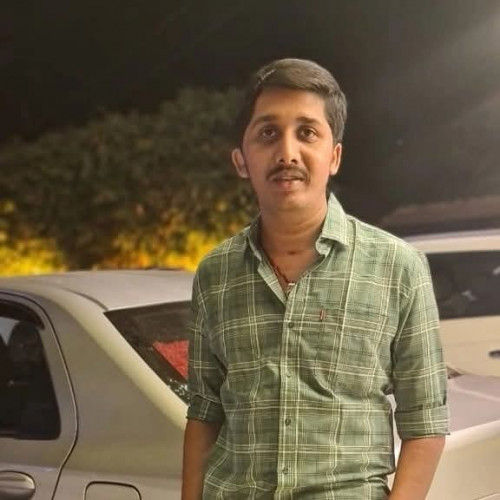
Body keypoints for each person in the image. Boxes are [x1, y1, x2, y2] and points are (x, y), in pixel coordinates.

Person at [182, 58, 448, 500]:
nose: (287, 152)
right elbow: (205, 411)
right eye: (268, 133)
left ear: (334, 156)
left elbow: (425, 421)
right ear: (241, 160)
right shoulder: (215, 273)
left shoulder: (398, 267)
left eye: (307, 132)